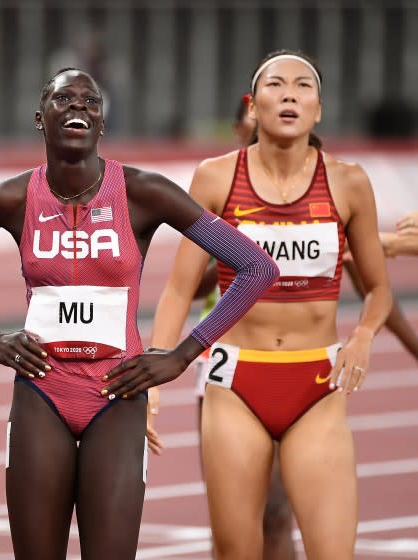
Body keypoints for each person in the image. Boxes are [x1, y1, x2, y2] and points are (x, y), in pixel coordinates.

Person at [0, 67, 278, 559]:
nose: (79, 108)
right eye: (64, 98)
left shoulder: (143, 192)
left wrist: (182, 355)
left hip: (117, 391)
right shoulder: (11, 198)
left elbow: (256, 267)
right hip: (42, 389)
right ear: (39, 116)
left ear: (102, 124)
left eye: (91, 102)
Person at [149, 50, 392, 559]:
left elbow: (379, 288)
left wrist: (364, 335)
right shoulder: (216, 178)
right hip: (236, 382)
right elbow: (177, 289)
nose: (289, 94)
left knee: (332, 551)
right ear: (253, 107)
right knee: (237, 550)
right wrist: (153, 384)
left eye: (303, 86)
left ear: (319, 109)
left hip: (318, 384)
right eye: (276, 84)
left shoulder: (349, 182)